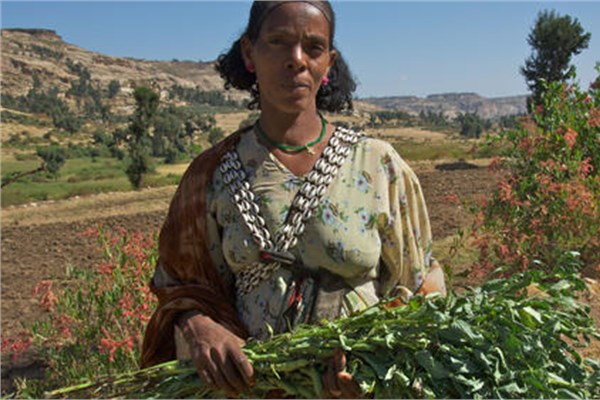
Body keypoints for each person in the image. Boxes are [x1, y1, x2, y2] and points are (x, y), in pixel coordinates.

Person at [141, 1, 446, 398]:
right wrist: (198, 325)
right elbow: (179, 288)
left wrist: (374, 359)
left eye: (313, 47)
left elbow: (424, 287)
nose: (296, 60)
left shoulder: (377, 166)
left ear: (328, 63)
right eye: (278, 42)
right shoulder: (211, 175)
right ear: (250, 52)